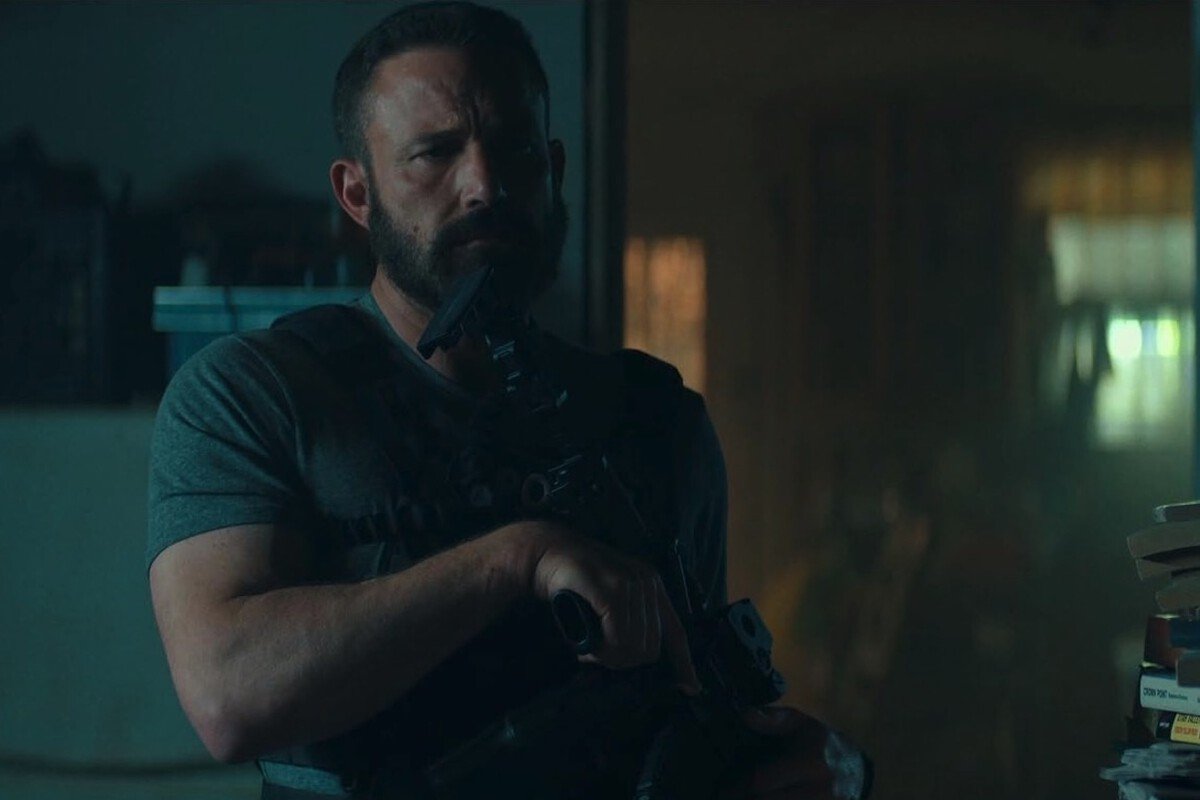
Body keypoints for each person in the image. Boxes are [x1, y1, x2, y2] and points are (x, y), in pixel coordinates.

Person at [147, 3, 855, 798]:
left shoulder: (655, 417)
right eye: (434, 153)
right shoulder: (254, 393)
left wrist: (788, 765)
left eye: (515, 148)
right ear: (357, 193)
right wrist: (517, 559)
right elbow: (228, 696)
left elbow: (693, 704)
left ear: (553, 168)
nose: (484, 185)